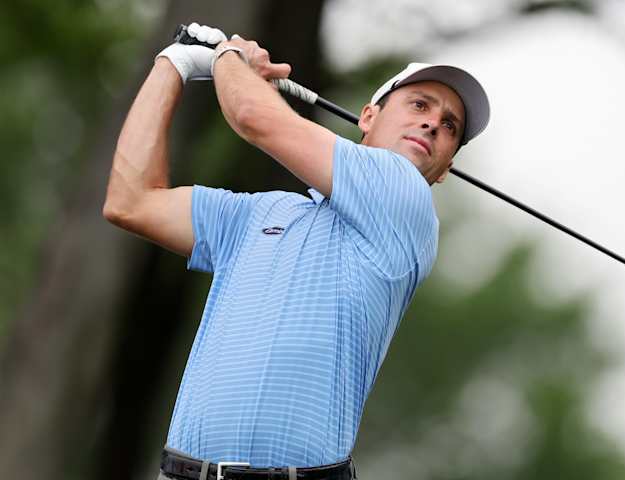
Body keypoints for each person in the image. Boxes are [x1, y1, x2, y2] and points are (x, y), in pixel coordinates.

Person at [103, 23, 490, 480]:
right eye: (420, 105)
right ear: (367, 117)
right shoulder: (261, 212)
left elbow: (252, 115)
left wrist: (228, 57)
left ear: (444, 169)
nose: (432, 123)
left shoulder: (404, 197)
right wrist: (174, 64)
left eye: (450, 126)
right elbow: (130, 201)